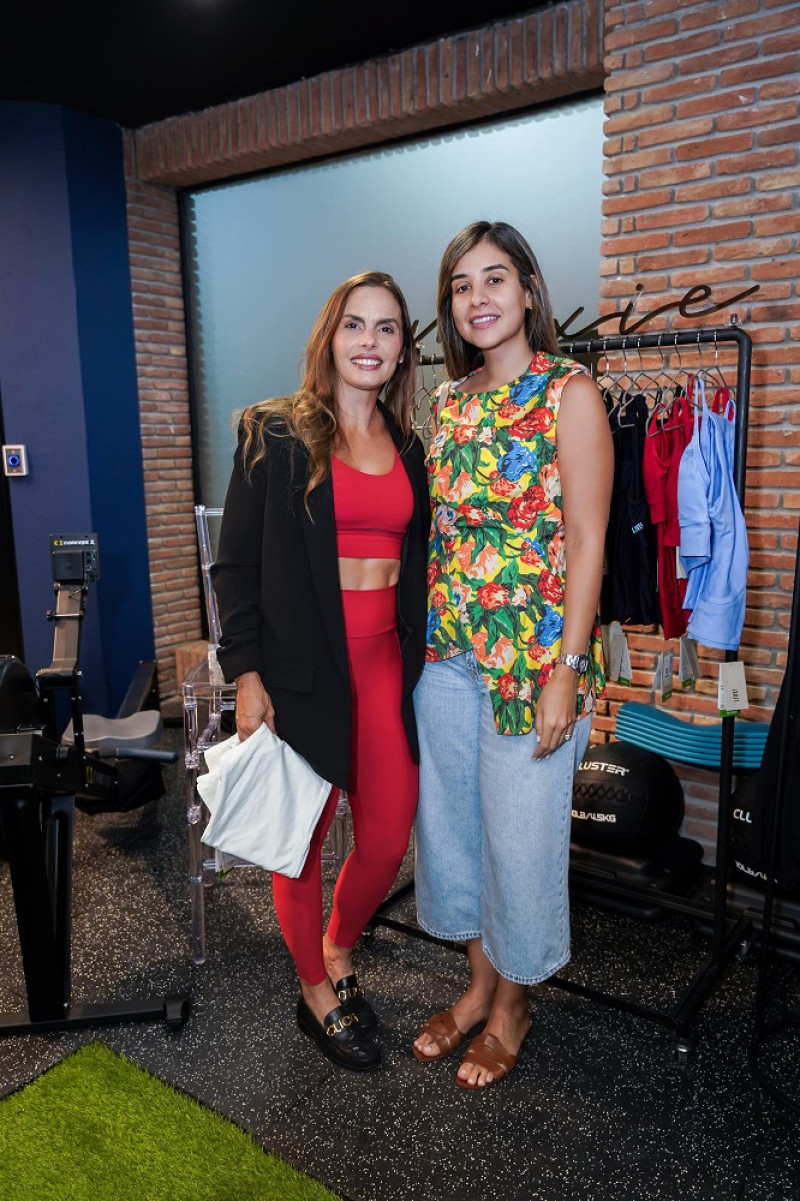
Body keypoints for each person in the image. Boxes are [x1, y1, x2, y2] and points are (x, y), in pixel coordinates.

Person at [412, 221, 613, 1088]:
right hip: (449, 650)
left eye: (495, 279)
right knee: (454, 830)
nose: (479, 298)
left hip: (534, 660)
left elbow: (589, 534)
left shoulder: (570, 391)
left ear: (529, 289)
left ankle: (515, 1002)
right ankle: (477, 982)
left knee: (522, 839)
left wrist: (568, 666)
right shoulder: (448, 403)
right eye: (462, 286)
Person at [211, 271, 429, 1071]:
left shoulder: (408, 446)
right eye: (355, 326)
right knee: (298, 843)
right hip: (301, 671)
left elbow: (415, 564)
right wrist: (246, 673)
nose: (370, 342)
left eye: (388, 329)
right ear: (329, 337)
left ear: (405, 349)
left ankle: (340, 946)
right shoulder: (272, 433)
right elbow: (234, 567)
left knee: (385, 833)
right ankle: (314, 989)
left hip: (384, 668)